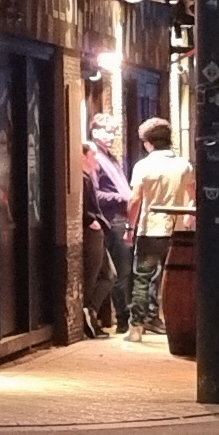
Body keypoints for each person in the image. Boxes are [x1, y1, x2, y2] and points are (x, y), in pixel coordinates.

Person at [126, 119, 193, 336]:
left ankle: (136, 326)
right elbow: (195, 194)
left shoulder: (143, 166)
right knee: (169, 277)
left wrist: (129, 227)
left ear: (148, 142)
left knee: (142, 277)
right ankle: (159, 319)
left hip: (150, 229)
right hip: (177, 230)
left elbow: (135, 200)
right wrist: (188, 217)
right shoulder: (183, 165)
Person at [82, 123, 135, 341]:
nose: (112, 135)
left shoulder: (111, 159)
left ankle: (92, 314)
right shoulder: (92, 167)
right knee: (116, 272)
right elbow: (95, 196)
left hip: (112, 221)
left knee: (113, 273)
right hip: (109, 221)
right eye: (107, 131)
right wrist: (123, 199)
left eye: (114, 131)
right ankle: (120, 318)